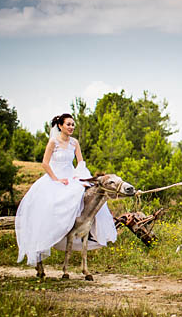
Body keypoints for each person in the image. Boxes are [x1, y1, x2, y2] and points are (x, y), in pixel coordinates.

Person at [15, 113, 117, 273]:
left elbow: (80, 161)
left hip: (71, 174)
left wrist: (80, 175)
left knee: (86, 196)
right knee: (52, 203)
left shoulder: (74, 142)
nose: (71, 127)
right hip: (54, 177)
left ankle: (85, 230)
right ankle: (49, 235)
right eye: (68, 124)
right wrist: (56, 179)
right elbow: (45, 164)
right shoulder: (53, 142)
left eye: (73, 125)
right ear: (60, 126)